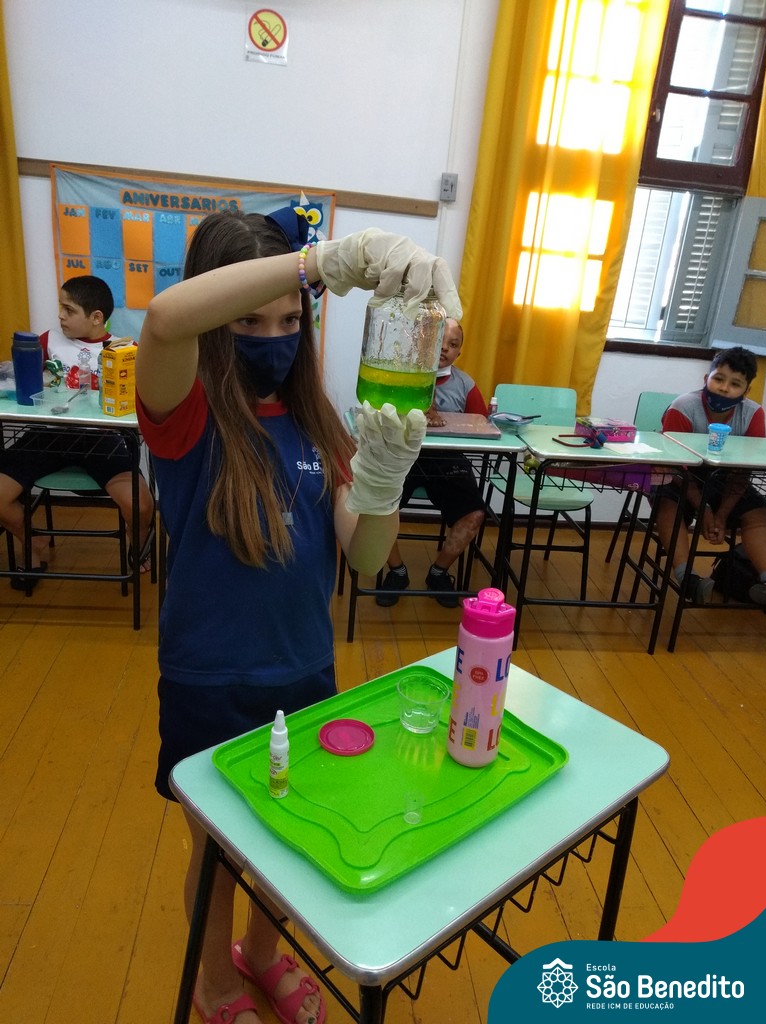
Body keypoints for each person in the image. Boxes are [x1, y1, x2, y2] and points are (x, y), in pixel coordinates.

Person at [135, 207, 461, 1024]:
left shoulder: (320, 423)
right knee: (218, 851)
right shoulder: (184, 413)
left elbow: (365, 557)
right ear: (218, 318)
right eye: (249, 321)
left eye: (290, 322)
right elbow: (166, 318)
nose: (273, 337)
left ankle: (263, 954)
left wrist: (383, 482)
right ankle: (215, 983)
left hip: (306, 673)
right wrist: (319, 263)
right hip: (212, 679)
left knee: (289, 841)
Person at [0, 275, 156, 589]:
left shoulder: (126, 350)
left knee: (140, 506)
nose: (60, 316)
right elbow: (20, 383)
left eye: (68, 310)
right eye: (61, 307)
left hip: (99, 438)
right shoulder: (47, 341)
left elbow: (144, 397)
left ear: (96, 317)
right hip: (47, 436)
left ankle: (136, 542)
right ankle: (32, 542)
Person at [375, 317, 488, 608]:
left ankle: (439, 572)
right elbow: (379, 413)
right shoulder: (403, 376)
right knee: (377, 505)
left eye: (453, 344)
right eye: (439, 342)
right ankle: (397, 571)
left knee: (474, 513)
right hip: (403, 455)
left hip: (447, 460)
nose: (445, 348)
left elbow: (482, 424)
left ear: (459, 352)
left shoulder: (466, 385)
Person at [655, 346, 766, 605]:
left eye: (735, 384)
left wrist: (722, 515)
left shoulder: (753, 414)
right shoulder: (683, 407)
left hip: (727, 481)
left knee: (759, 512)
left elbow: (743, 471)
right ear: (706, 378)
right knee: (668, 504)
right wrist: (704, 510)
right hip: (681, 478)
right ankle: (688, 580)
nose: (724, 388)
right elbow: (675, 464)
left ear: (747, 390)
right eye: (719, 379)